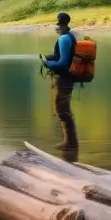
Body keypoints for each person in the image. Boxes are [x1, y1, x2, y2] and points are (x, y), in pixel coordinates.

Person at [42, 12, 78, 151]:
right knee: (64, 109)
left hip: (64, 79)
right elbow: (62, 57)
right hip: (68, 78)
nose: (57, 28)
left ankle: (70, 143)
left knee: (62, 109)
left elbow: (63, 63)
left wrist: (47, 64)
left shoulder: (64, 39)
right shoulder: (70, 36)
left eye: (58, 25)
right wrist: (48, 58)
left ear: (62, 25)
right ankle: (70, 142)